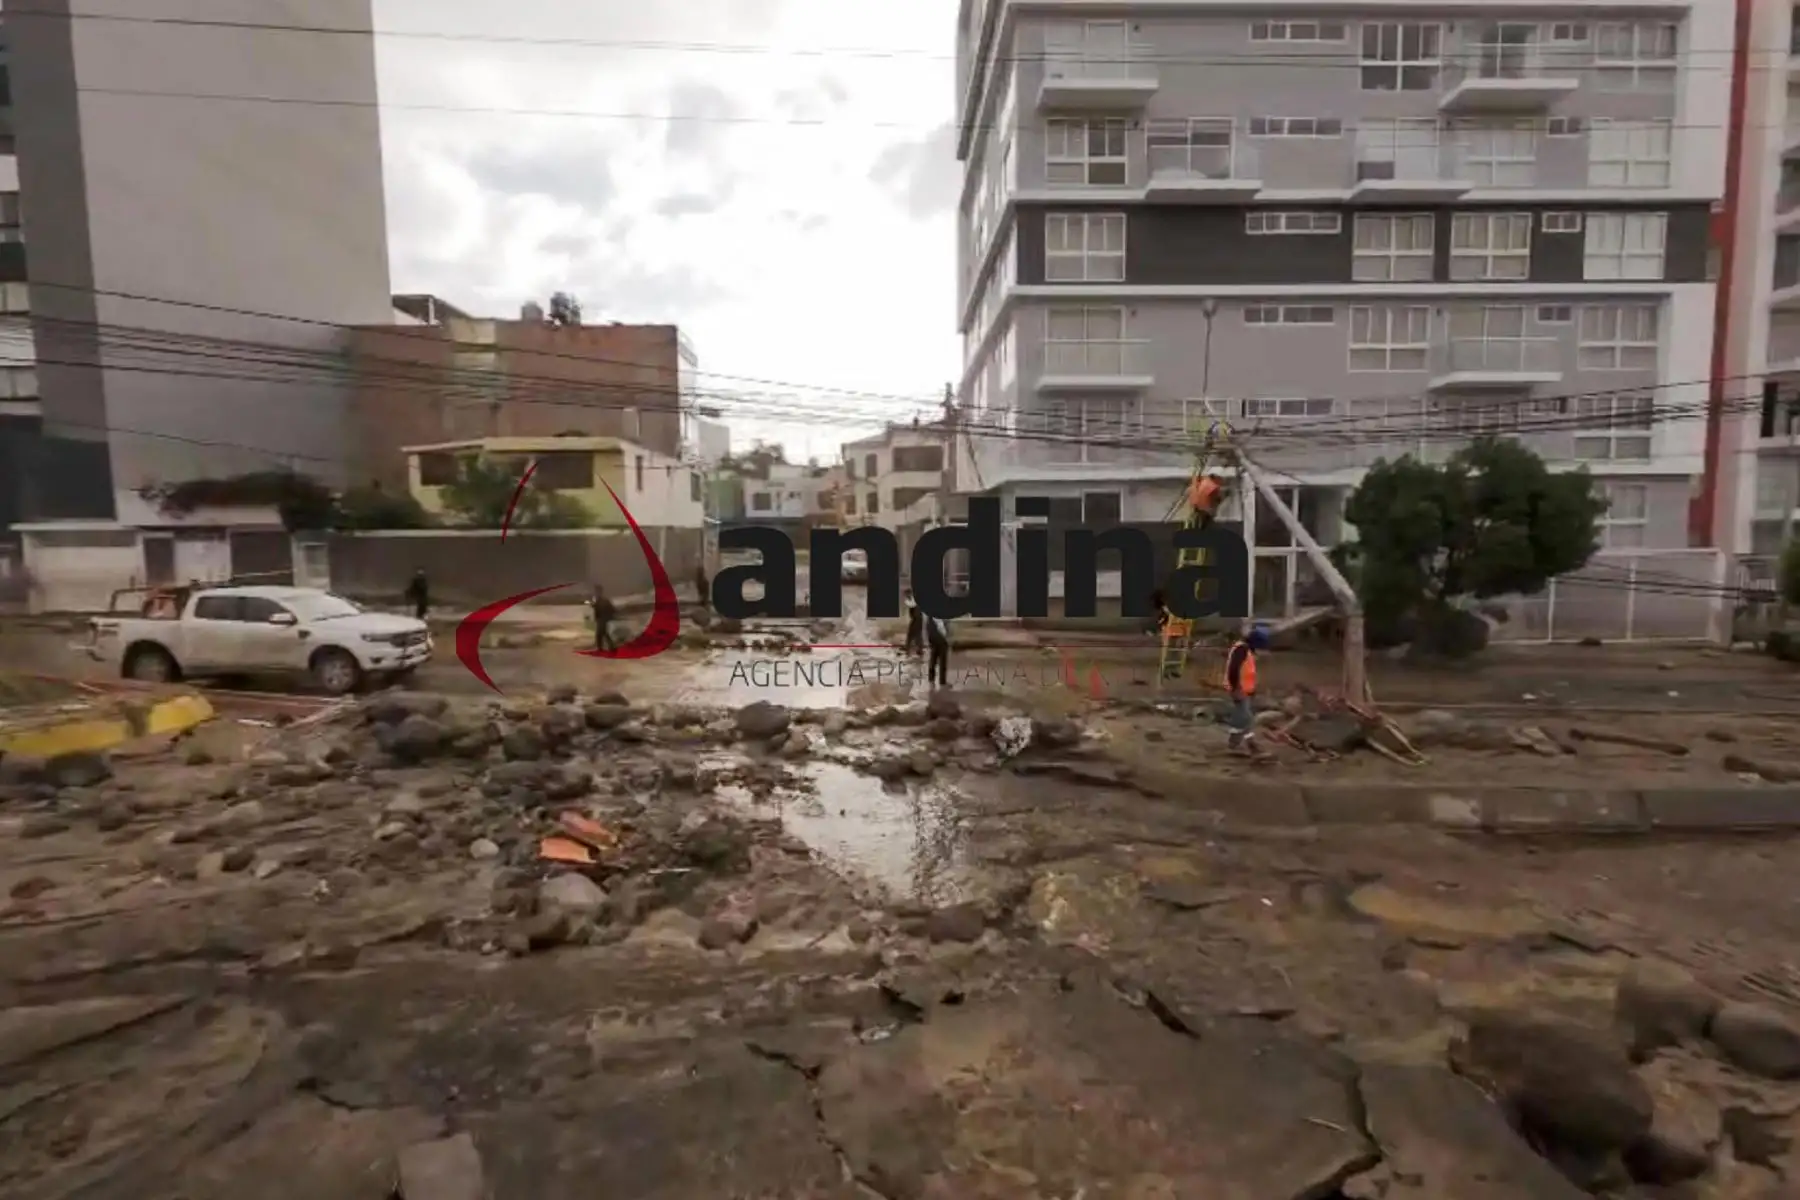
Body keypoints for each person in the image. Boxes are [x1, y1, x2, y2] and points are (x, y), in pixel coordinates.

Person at [1223, 624, 1271, 758]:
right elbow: (1233, 670)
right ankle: (1252, 746)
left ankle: (1233, 744)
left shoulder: (1245, 649)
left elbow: (1246, 672)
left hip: (1243, 689)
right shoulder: (1241, 650)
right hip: (1238, 689)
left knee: (1239, 717)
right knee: (1247, 718)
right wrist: (1237, 689)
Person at [925, 610, 951, 689]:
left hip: (933, 637)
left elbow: (928, 626)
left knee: (933, 658)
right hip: (940, 638)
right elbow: (942, 625)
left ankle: (931, 679)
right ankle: (942, 682)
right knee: (942, 660)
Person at [591, 583, 618, 653]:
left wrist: (608, 617)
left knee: (600, 634)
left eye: (597, 591)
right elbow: (596, 609)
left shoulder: (603, 600)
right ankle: (610, 647)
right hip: (601, 619)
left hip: (603, 619)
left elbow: (612, 610)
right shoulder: (599, 600)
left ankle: (604, 648)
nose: (596, 593)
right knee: (603, 633)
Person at [903, 588, 924, 658]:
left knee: (912, 634)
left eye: (906, 595)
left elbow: (915, 612)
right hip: (917, 619)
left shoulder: (913, 601)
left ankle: (909, 649)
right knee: (916, 635)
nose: (905, 596)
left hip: (917, 619)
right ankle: (918, 650)